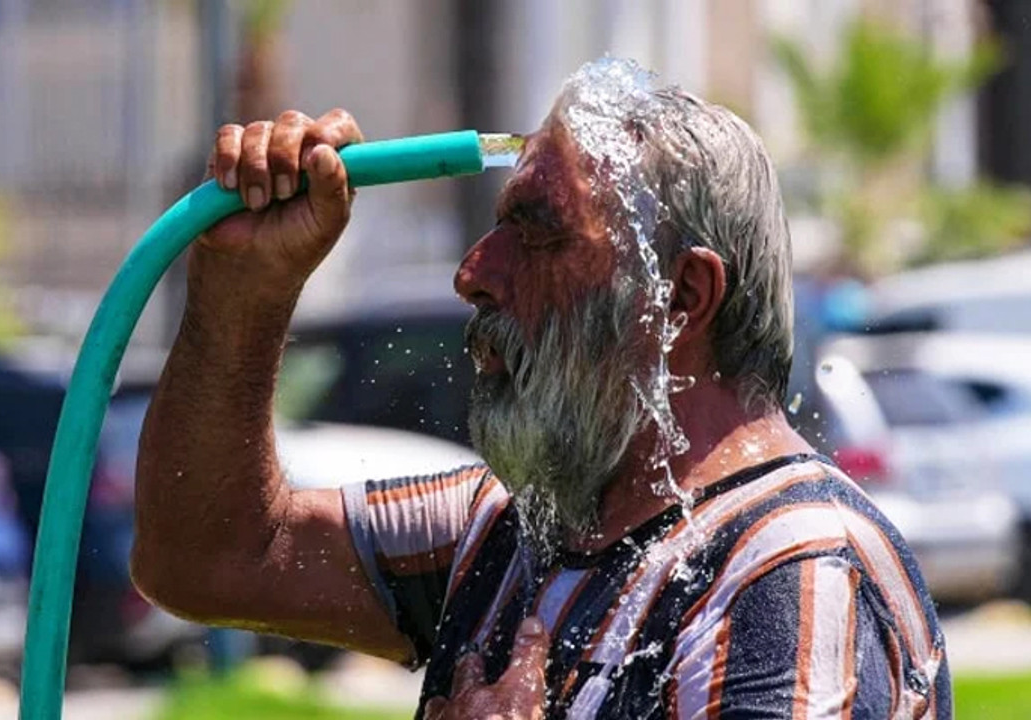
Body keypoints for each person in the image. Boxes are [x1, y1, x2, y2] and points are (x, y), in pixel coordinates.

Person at [130, 59, 951, 719]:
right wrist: (247, 292)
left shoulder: (797, 574)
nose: (472, 275)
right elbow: (207, 557)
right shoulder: (512, 531)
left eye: (536, 230)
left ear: (682, 298)